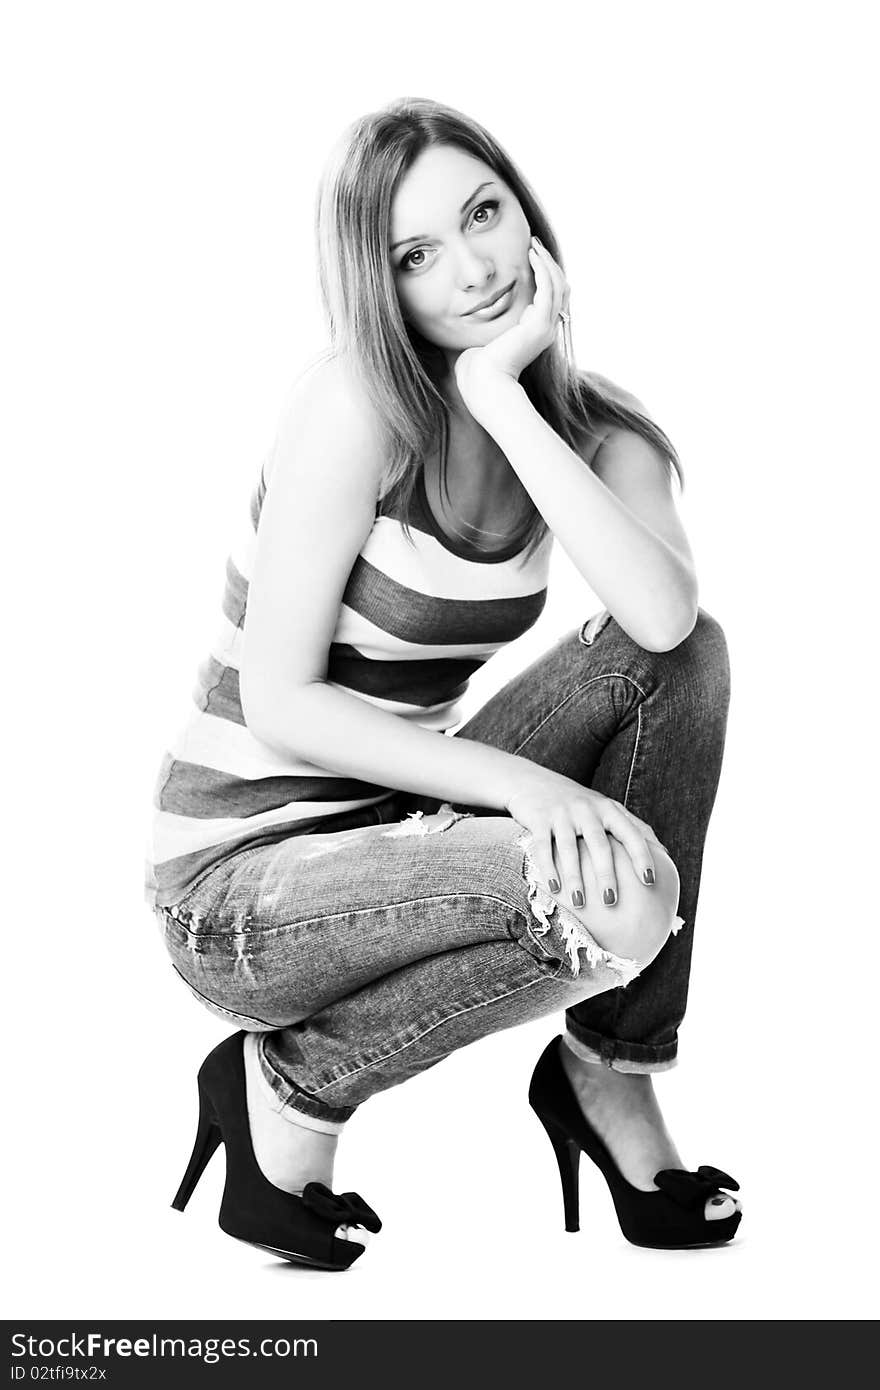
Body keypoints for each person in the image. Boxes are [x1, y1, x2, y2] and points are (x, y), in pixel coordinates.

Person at [146, 96, 741, 1269]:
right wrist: (526, 790)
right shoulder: (352, 407)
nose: (470, 270)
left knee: (683, 653)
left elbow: (662, 621)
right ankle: (290, 1084)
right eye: (415, 256)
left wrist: (508, 404)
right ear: (381, 286)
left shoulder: (596, 432)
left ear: (528, 217)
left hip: (399, 818)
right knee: (620, 900)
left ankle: (607, 1069)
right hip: (239, 879)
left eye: (484, 215)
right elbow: (281, 701)